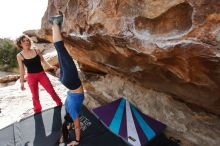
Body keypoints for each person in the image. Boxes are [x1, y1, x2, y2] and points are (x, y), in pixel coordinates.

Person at [49, 13, 84, 146]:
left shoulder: (74, 111)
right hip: (66, 82)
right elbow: (70, 124)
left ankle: (55, 22)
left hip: (72, 81)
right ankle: (54, 25)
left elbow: (77, 127)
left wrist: (76, 141)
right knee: (59, 52)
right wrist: (67, 128)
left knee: (60, 49)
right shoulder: (68, 106)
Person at [16, 35, 63, 113]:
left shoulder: (36, 50)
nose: (26, 42)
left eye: (27, 40)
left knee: (51, 90)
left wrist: (51, 66)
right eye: (23, 41)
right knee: (35, 95)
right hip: (31, 77)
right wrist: (22, 82)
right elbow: (21, 69)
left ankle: (59, 103)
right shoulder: (19, 56)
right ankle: (37, 110)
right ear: (20, 44)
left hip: (41, 74)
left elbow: (43, 61)